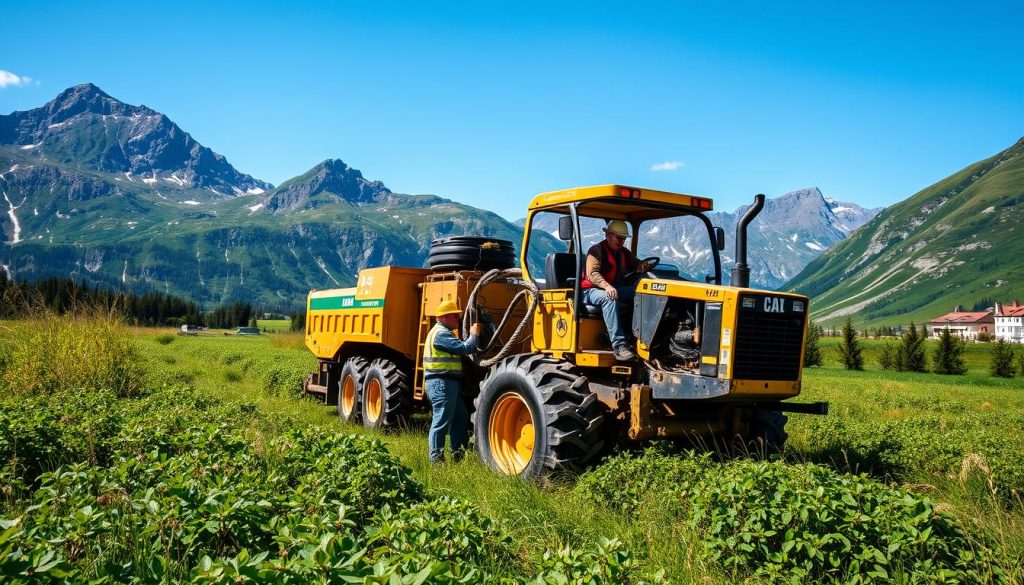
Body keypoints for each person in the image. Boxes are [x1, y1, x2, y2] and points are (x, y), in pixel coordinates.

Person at [580, 220, 651, 361]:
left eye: (623, 238)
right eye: (619, 238)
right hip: (590, 291)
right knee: (609, 297)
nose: (621, 241)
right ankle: (619, 347)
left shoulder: (623, 252)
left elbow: (635, 263)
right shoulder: (596, 251)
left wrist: (642, 266)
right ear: (608, 235)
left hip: (613, 288)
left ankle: (633, 337)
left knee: (640, 293)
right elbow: (592, 274)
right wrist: (606, 286)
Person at [423, 299, 482, 463]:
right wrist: (474, 334)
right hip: (442, 383)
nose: (458, 318)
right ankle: (436, 461)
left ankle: (458, 454)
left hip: (448, 383)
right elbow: (465, 349)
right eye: (454, 316)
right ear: (443, 318)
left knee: (460, 418)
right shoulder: (441, 334)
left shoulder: (442, 332)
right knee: (441, 421)